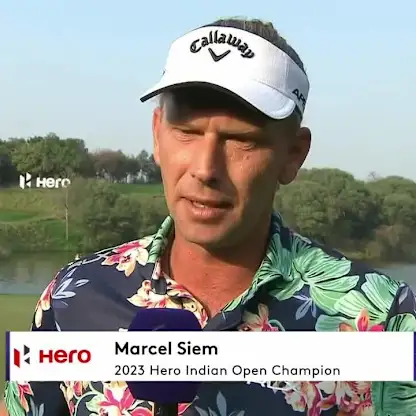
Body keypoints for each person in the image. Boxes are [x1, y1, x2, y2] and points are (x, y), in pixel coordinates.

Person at [2, 17, 416, 416]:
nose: (205, 169)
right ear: (157, 135)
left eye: (241, 140)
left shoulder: (384, 318)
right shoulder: (73, 294)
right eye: (187, 132)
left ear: (293, 154)